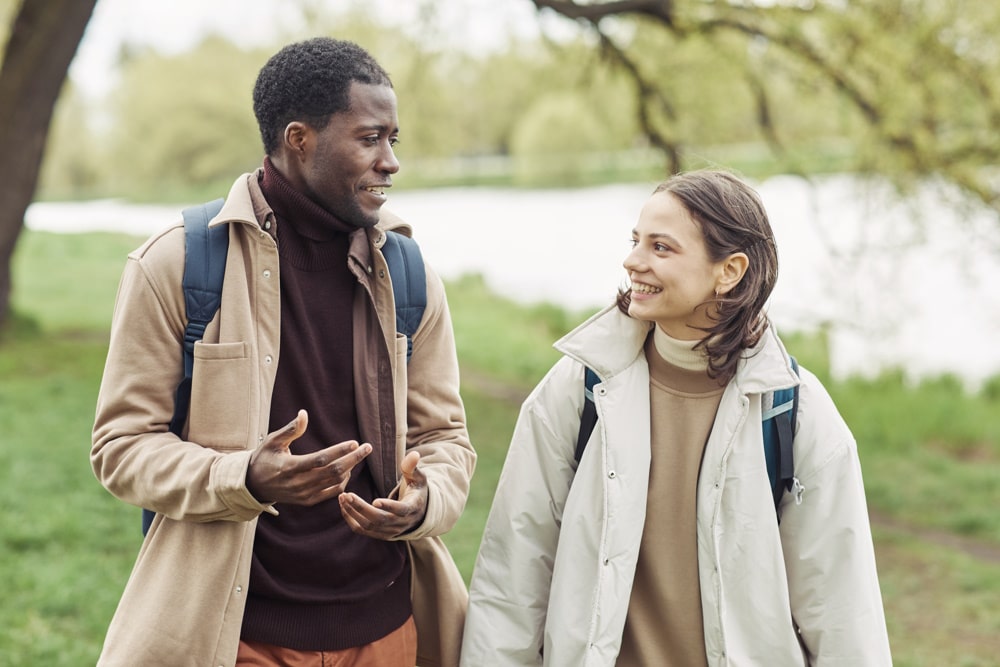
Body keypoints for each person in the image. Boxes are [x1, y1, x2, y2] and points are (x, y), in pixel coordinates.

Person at [91, 37, 475, 667]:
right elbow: (122, 447)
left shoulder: (409, 274)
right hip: (234, 634)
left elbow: (447, 438)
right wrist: (243, 477)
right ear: (300, 139)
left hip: (387, 628)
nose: (390, 163)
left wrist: (422, 501)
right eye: (370, 138)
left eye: (393, 141)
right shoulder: (177, 264)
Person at [460, 170, 891, 666]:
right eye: (636, 241)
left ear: (728, 271)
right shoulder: (578, 388)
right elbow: (513, 576)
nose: (632, 260)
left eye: (661, 247)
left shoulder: (795, 411)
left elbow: (843, 615)